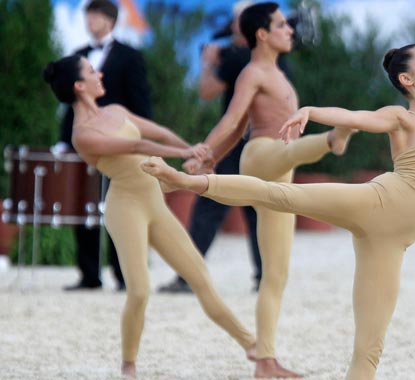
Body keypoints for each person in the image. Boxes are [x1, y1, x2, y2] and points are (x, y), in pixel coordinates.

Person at [140, 1, 415, 379]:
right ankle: (183, 181)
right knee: (279, 195)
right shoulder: (402, 118)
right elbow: (359, 118)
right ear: (407, 80)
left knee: (370, 347)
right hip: (376, 203)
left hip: (391, 242)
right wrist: (313, 111)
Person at [43, 55, 257, 379]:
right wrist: (183, 154)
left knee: (199, 275)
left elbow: (157, 131)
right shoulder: (81, 134)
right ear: (79, 86)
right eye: (91, 71)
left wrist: (196, 153)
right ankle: (129, 365)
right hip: (125, 207)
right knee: (140, 291)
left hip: (154, 204)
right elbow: (135, 146)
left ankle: (253, 346)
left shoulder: (115, 110)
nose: (99, 73)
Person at [180, 2, 355, 377]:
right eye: (281, 25)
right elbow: (232, 120)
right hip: (260, 156)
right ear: (262, 34)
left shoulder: (277, 73)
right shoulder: (252, 72)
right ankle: (330, 140)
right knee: (287, 150)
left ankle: (266, 361)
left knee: (275, 274)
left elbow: (237, 124)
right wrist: (205, 153)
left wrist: (211, 160)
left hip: (282, 170)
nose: (290, 30)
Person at [158, 0, 276, 294]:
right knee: (261, 208)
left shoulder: (237, 57)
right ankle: (267, 278)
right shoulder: (272, 55)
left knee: (209, 204)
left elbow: (208, 92)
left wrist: (208, 62)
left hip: (239, 144)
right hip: (267, 142)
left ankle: (187, 276)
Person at [59, 0, 152, 291]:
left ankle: (124, 275)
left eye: (96, 16)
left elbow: (140, 103)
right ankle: (89, 274)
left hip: (118, 141)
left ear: (110, 20)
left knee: (120, 207)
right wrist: (64, 141)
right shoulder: (78, 56)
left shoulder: (130, 56)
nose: (90, 21)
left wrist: (139, 141)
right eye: (88, 15)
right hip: (85, 142)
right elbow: (69, 104)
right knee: (84, 204)